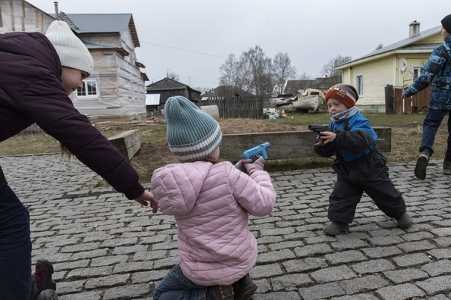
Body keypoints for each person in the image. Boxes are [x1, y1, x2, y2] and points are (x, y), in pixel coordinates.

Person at [0, 21, 157, 299]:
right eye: (82, 74)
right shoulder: (34, 72)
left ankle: (18, 283)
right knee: (10, 222)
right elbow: (80, 135)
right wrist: (133, 187)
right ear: (65, 62)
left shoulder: (17, 56)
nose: (82, 83)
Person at [151, 96, 276, 300]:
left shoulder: (173, 181)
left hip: (200, 265)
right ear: (213, 147)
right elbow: (264, 204)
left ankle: (237, 286)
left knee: (165, 290)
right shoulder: (228, 176)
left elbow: (206, 181)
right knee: (163, 295)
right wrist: (257, 172)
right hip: (237, 257)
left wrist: (238, 170)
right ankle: (216, 292)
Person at [314, 84, 412, 236]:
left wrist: (338, 137)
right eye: (329, 105)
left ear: (348, 104)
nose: (332, 108)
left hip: (369, 166)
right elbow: (333, 147)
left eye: (336, 104)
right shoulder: (333, 123)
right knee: (342, 195)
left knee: (384, 193)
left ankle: (400, 214)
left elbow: (363, 140)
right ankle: (339, 222)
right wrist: (323, 145)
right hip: (347, 168)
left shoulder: (359, 119)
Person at [403, 12, 451, 179]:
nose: (441, 30)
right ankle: (450, 164)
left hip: (441, 97)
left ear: (449, 30)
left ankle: (425, 152)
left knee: (431, 124)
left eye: (443, 27)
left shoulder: (443, 50)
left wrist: (410, 91)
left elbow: (426, 76)